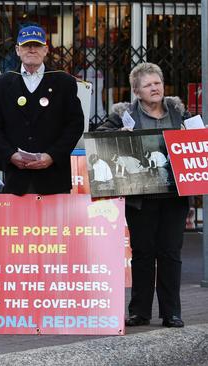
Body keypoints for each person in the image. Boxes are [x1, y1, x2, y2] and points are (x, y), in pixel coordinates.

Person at [98, 62, 190, 328]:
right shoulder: (123, 115)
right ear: (136, 91)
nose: (155, 88)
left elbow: (197, 141)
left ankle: (172, 312)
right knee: (143, 253)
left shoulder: (178, 114)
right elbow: (100, 139)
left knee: (170, 252)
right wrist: (119, 135)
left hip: (174, 196)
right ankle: (140, 312)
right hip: (140, 196)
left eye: (158, 83)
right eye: (148, 84)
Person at [0, 24, 84, 195]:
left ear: (45, 50)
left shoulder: (64, 82)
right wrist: (10, 155)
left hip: (54, 178)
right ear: (17, 49)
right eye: (26, 45)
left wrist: (52, 156)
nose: (31, 49)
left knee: (55, 223)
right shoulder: (1, 84)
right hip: (17, 179)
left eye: (36, 45)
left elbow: (75, 125)